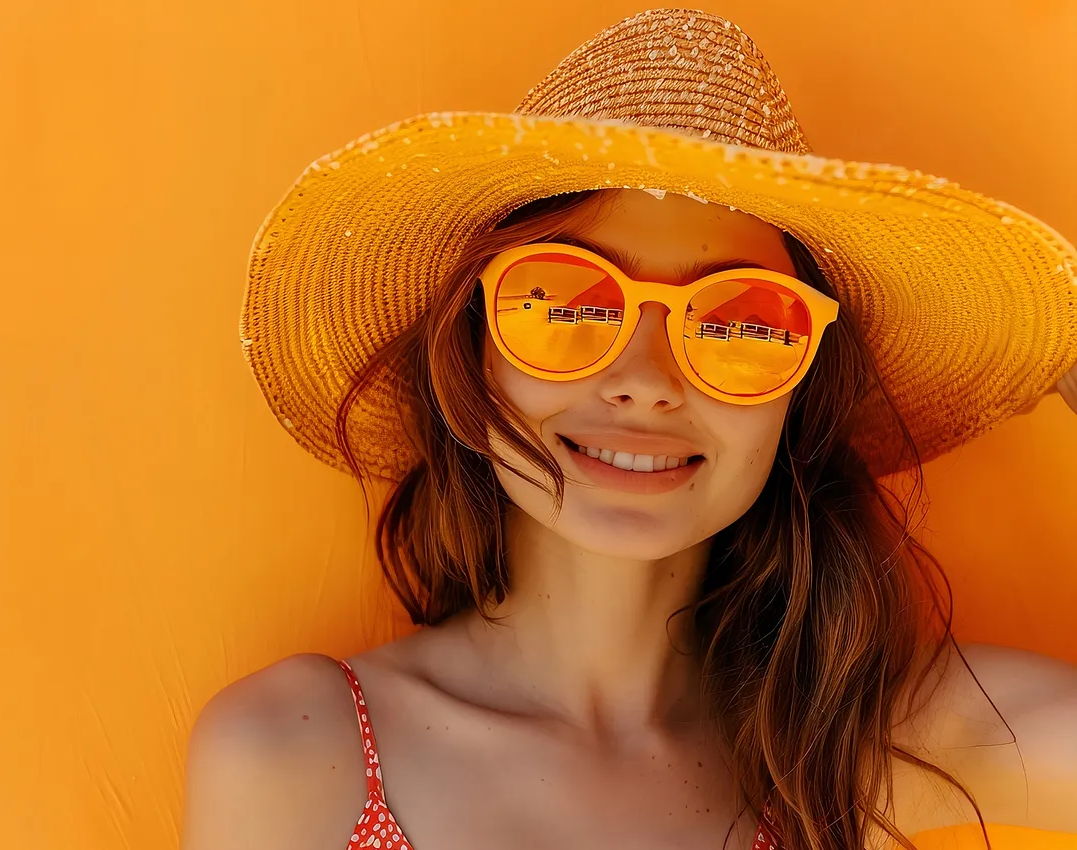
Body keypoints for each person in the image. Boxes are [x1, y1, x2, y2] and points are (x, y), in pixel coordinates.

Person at [184, 9, 1077, 850]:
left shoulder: (841, 751)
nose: (646, 382)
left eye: (741, 323)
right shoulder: (297, 751)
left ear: (798, 397)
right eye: (567, 303)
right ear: (471, 352)